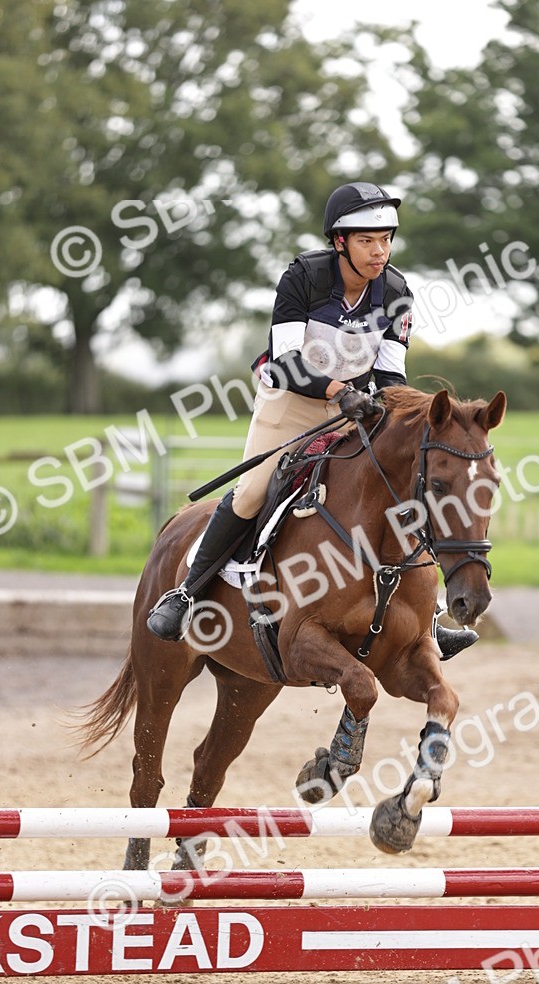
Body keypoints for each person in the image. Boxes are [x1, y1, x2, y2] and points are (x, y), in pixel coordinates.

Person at [147, 181, 477, 660]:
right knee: (254, 491)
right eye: (367, 241)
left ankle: (427, 616)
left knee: (399, 488)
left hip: (356, 406)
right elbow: (285, 362)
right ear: (339, 242)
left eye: (386, 240)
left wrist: (395, 410)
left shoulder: (398, 291)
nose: (379, 251)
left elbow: (389, 373)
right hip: (291, 401)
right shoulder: (302, 278)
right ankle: (186, 592)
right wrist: (339, 392)